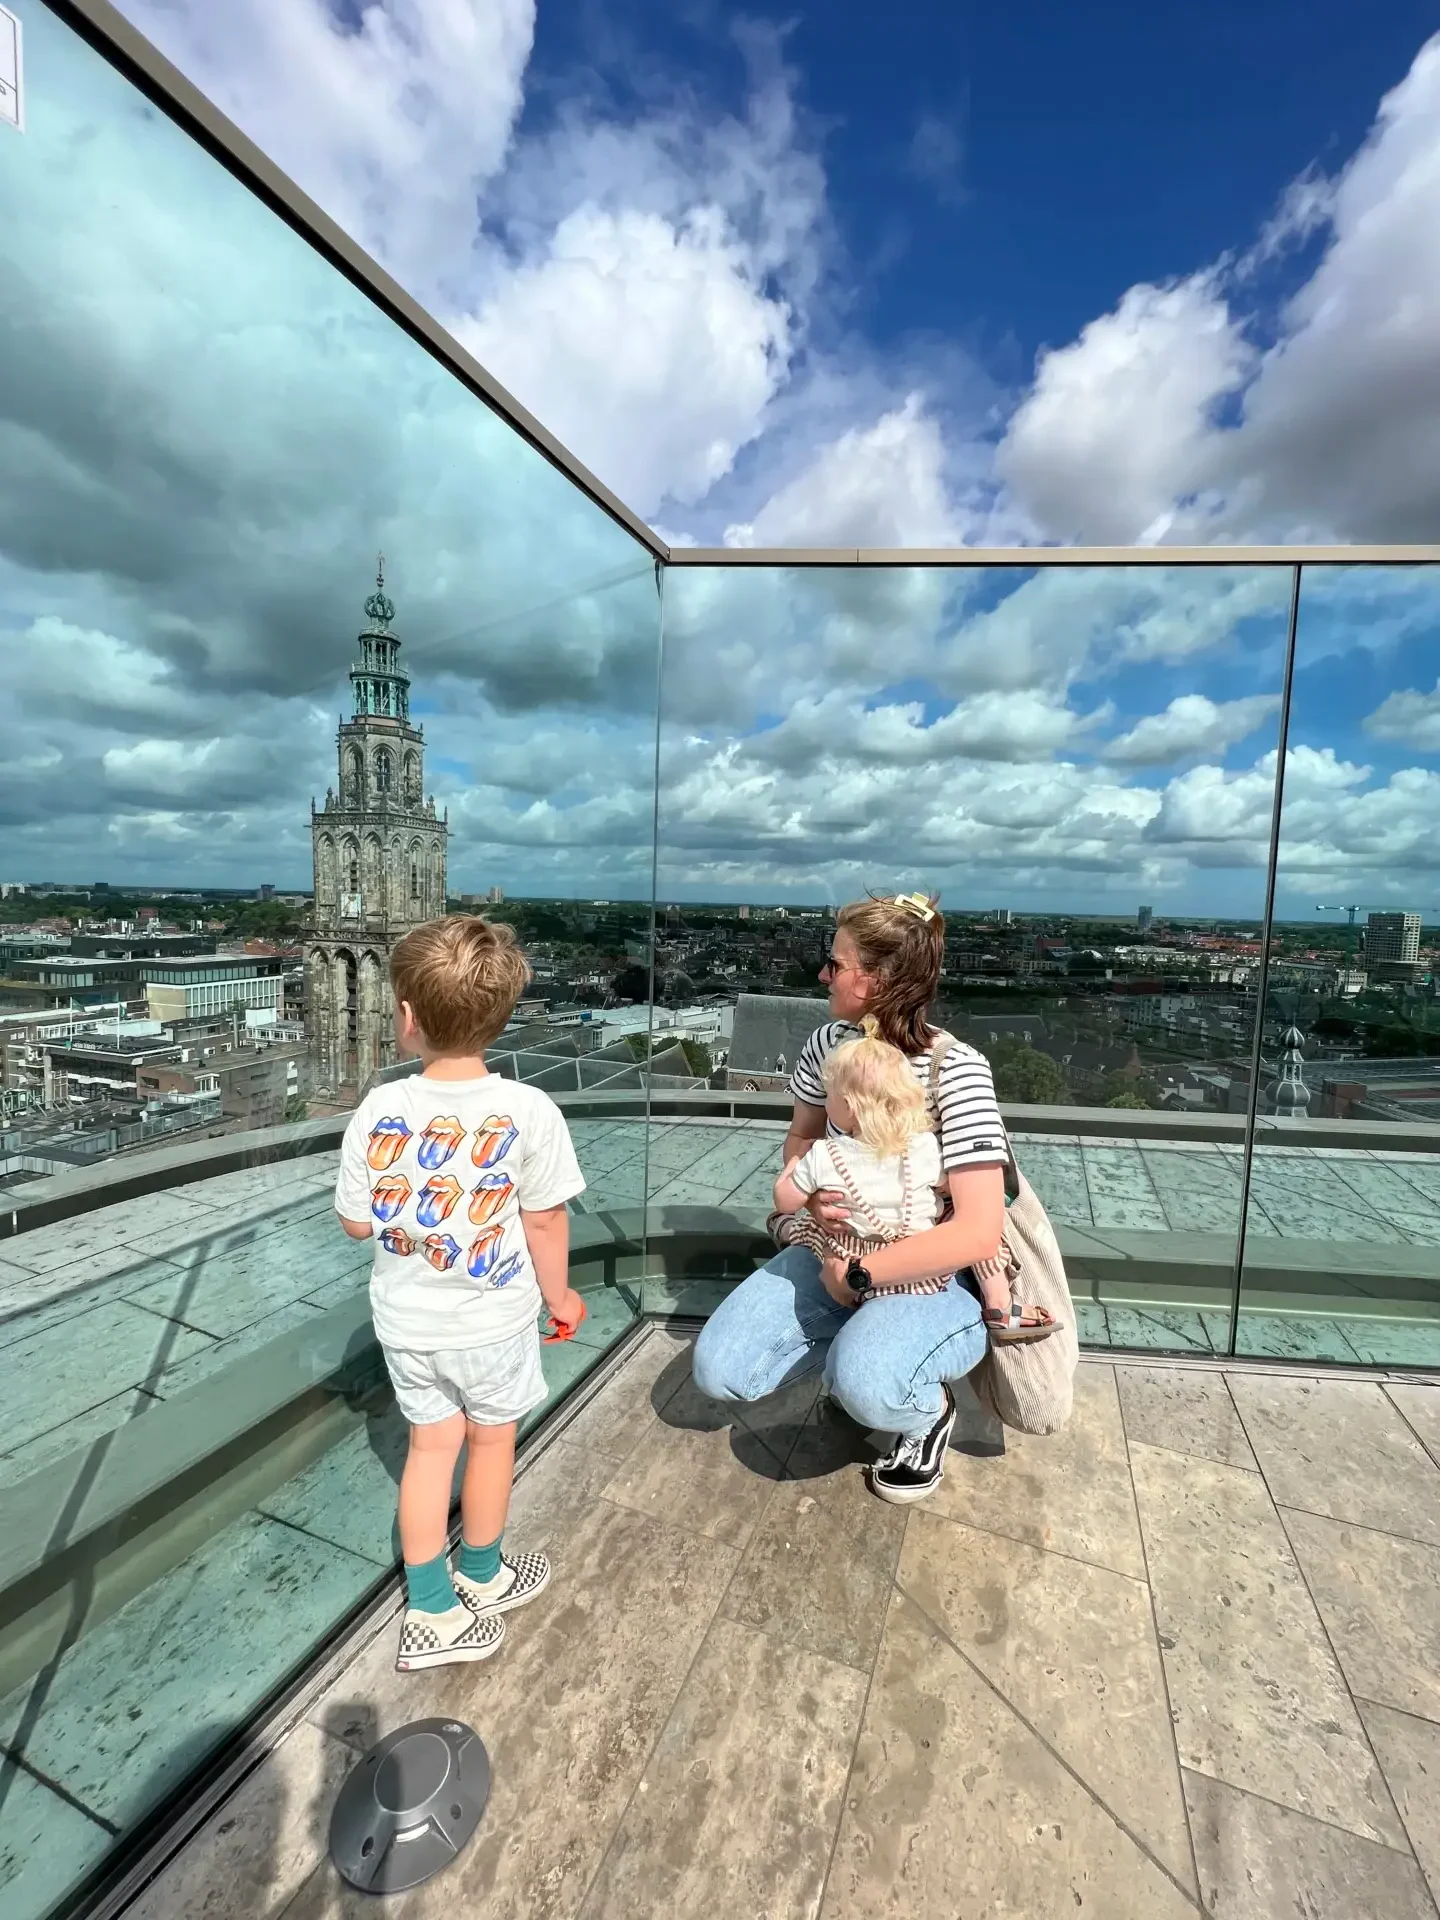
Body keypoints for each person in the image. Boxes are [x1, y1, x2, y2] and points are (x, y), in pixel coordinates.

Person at [693, 892, 1055, 1504]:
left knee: (866, 1381)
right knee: (721, 1370)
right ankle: (866, 1358)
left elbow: (977, 1231)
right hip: (836, 1248)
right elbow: (803, 1138)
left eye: (836, 964)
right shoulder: (826, 1044)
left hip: (934, 1276)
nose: (823, 975)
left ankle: (921, 1409)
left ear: (880, 978)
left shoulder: (954, 1069)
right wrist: (811, 1196)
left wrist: (858, 1276)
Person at [334, 915, 587, 1671]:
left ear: (408, 1017)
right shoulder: (530, 1111)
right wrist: (561, 1299)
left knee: (429, 1450)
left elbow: (355, 1224)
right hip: (493, 1323)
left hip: (406, 1325)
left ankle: (432, 1608)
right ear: (502, 1018)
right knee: (491, 1443)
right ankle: (482, 1572)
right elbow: (544, 1221)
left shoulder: (377, 1108)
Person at [773, 1018, 945, 1284]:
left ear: (849, 1106)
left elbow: (786, 1201)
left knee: (809, 1229)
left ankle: (783, 1228)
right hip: (914, 1266)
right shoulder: (923, 1146)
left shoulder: (825, 1154)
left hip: (849, 1260)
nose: (826, 1102)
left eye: (829, 1095)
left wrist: (795, 1162)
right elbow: (947, 1186)